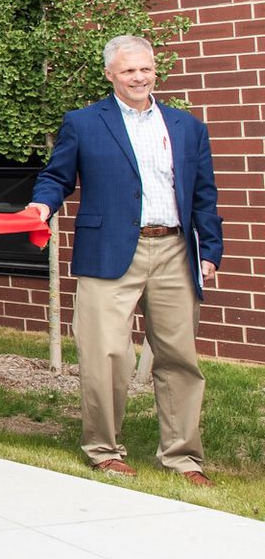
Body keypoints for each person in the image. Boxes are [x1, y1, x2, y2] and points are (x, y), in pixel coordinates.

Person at [25, 34, 222, 487]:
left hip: (175, 249)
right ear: (110, 74)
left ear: (156, 71)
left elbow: (205, 196)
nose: (138, 77)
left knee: (179, 358)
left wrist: (208, 250)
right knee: (106, 354)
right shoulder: (84, 123)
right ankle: (104, 449)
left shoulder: (187, 127)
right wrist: (42, 206)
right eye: (128, 70)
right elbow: (56, 177)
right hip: (109, 250)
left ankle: (183, 457)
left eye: (145, 69)